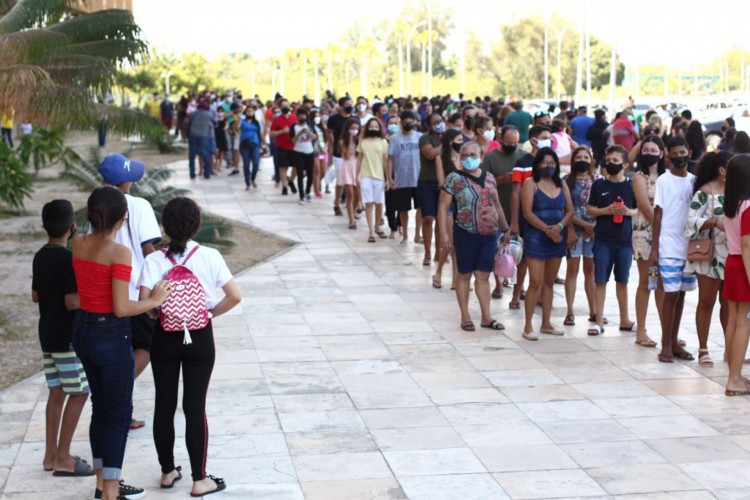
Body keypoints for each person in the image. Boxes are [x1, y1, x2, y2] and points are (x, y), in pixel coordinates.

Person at [72, 186, 171, 500]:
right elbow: (121, 307)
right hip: (111, 336)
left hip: (83, 333)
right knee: (117, 414)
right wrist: (154, 300)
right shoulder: (120, 253)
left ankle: (102, 485)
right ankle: (111, 493)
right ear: (123, 219)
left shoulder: (77, 243)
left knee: (99, 409)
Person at [139, 197, 240, 496]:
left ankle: (168, 471)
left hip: (165, 338)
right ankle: (199, 479)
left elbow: (146, 306)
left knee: (164, 404)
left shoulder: (154, 260)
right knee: (195, 407)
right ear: (197, 225)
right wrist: (207, 313)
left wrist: (159, 307)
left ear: (165, 227)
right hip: (199, 337)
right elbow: (235, 296)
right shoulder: (210, 256)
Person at [98, 154, 162, 431]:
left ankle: (123, 411)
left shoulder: (97, 204)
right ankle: (115, 396)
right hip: (138, 290)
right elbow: (149, 250)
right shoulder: (139, 205)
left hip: (108, 289)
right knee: (147, 347)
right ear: (129, 181)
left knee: (123, 349)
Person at [33, 200, 94, 477]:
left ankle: (49, 455)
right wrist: (91, 297)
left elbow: (36, 295)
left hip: (47, 334)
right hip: (68, 339)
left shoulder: (40, 256)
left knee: (56, 392)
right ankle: (63, 456)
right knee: (80, 392)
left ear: (44, 226)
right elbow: (71, 302)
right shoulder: (68, 259)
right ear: (72, 228)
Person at [438, 142, 510, 331]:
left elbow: (497, 205)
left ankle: (486, 317)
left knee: (483, 274)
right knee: (464, 274)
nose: (469, 158)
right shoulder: (454, 178)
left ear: (481, 156)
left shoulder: (490, 178)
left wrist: (506, 228)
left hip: (489, 234)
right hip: (465, 233)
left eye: (473, 154)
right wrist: (444, 234)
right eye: (465, 155)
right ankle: (465, 316)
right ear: (460, 158)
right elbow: (443, 207)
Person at [649, 136, 697, 363]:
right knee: (670, 295)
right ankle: (665, 344)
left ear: (690, 151)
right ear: (668, 155)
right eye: (675, 153)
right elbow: (657, 215)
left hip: (689, 248)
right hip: (668, 245)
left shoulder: (696, 181)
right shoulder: (663, 181)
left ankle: (675, 341)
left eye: (683, 152)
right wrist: (654, 249)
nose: (680, 157)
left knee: (681, 295)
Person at [520, 147, 573, 340]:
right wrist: (547, 230)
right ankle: (527, 326)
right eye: (544, 162)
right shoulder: (530, 183)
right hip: (536, 237)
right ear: (537, 164)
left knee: (549, 282)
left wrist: (558, 227)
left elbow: (569, 210)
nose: (548, 166)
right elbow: (527, 213)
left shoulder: (562, 184)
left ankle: (546, 323)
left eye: (551, 162)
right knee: (535, 282)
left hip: (557, 238)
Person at [686, 151, 732, 366]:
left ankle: (730, 347)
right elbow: (690, 220)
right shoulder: (705, 191)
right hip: (710, 255)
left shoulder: (738, 191)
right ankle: (703, 348)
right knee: (706, 301)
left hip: (732, 254)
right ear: (721, 169)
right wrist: (714, 223)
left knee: (729, 303)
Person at [586, 145, 637, 336]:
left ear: (625, 164)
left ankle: (625, 319)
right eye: (608, 161)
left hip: (624, 240)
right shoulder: (599, 185)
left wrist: (628, 212)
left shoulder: (631, 185)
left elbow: (640, 208)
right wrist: (605, 211)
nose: (610, 164)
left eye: (615, 161)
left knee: (622, 280)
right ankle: (598, 320)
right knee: (600, 280)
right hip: (603, 240)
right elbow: (590, 208)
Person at [508, 125, 552, 309]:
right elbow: (516, 193)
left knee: (544, 257)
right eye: (544, 137)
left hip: (546, 216)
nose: (548, 140)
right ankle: (516, 294)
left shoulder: (550, 161)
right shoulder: (523, 162)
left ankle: (541, 294)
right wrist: (514, 221)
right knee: (524, 259)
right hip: (527, 217)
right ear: (534, 139)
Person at [631, 135, 666, 348]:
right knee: (646, 282)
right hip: (645, 233)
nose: (650, 154)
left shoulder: (667, 176)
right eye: (646, 150)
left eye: (654, 150)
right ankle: (641, 331)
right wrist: (664, 229)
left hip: (665, 234)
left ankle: (667, 332)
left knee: (663, 285)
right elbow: (645, 206)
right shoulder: (639, 177)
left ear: (661, 153)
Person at [481, 125, 523, 297]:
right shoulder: (491, 157)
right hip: (497, 211)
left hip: (518, 211)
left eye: (515, 142)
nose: (512, 145)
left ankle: (518, 287)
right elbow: (482, 183)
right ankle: (498, 284)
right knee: (497, 251)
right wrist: (501, 180)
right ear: (501, 139)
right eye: (508, 142)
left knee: (518, 252)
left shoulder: (523, 157)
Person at [722, 154, 750, 395]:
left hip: (732, 262)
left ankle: (735, 375)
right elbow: (748, 244)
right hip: (744, 265)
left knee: (733, 320)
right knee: (743, 321)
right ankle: (734, 379)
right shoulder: (749, 207)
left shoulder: (731, 206)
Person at [562, 147, 598, 327]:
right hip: (574, 231)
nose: (582, 160)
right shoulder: (566, 182)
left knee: (590, 271)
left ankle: (594, 310)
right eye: (579, 157)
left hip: (593, 233)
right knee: (572, 271)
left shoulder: (597, 180)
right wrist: (582, 226)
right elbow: (564, 209)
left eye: (586, 157)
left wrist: (593, 227)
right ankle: (570, 311)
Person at [434, 129, 462, 289]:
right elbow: (441, 182)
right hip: (449, 201)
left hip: (462, 202)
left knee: (458, 243)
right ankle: (439, 271)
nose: (461, 143)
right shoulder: (441, 159)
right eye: (458, 140)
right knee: (450, 241)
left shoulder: (463, 157)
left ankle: (455, 278)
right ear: (451, 141)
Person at [388, 111, 422, 245]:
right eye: (405, 120)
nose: (408, 123)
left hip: (419, 178)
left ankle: (418, 234)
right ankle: (405, 234)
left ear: (414, 121)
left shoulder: (420, 137)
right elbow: (389, 159)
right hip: (401, 180)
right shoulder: (394, 138)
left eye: (411, 120)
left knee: (421, 208)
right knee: (403, 209)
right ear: (401, 121)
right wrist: (389, 178)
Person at [357, 118, 391, 241]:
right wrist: (356, 175)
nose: (373, 129)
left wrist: (388, 179)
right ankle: (371, 232)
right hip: (366, 176)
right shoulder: (362, 142)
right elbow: (359, 159)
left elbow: (385, 162)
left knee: (379, 204)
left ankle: (378, 227)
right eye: (371, 126)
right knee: (369, 204)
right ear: (367, 128)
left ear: (379, 128)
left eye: (376, 127)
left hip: (380, 177)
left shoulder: (383, 142)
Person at [417, 113, 445, 265]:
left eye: (441, 121)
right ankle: (427, 252)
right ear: (429, 125)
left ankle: (438, 252)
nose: (439, 123)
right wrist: (445, 143)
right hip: (426, 182)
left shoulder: (445, 138)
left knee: (441, 220)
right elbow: (430, 154)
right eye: (436, 122)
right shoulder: (425, 139)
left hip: (443, 183)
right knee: (427, 218)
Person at [327, 97, 354, 216]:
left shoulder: (354, 119)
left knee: (353, 181)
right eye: (347, 104)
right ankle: (337, 203)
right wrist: (331, 146)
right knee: (341, 180)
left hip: (352, 154)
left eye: (350, 104)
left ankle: (353, 205)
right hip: (339, 154)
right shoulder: (334, 119)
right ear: (341, 106)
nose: (350, 106)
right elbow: (328, 132)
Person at [269, 98, 298, 196]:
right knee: (283, 167)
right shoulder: (276, 120)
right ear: (280, 108)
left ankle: (291, 181)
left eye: (287, 105)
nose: (285, 107)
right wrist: (282, 131)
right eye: (283, 106)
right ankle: (284, 186)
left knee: (296, 166)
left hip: (294, 146)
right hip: (281, 146)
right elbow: (271, 134)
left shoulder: (294, 118)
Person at [338, 117, 361, 228]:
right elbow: (346, 156)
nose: (354, 130)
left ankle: (354, 209)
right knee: (350, 194)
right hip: (347, 166)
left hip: (357, 166)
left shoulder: (360, 140)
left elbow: (360, 155)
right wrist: (350, 141)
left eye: (356, 128)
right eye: (352, 128)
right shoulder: (343, 140)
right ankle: (351, 220)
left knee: (358, 195)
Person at [290, 107, 316, 203]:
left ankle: (307, 191)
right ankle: (301, 195)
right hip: (298, 152)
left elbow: (315, 137)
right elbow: (292, 141)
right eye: (301, 115)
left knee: (310, 174)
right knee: (300, 174)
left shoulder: (310, 125)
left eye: (304, 115)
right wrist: (299, 134)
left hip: (309, 151)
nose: (302, 117)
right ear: (297, 116)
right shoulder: (294, 127)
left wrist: (308, 132)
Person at [187, 101, 214, 180]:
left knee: (192, 155)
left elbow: (189, 123)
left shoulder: (193, 114)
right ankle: (207, 173)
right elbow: (213, 123)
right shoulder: (209, 115)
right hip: (204, 136)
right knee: (206, 154)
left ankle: (192, 173)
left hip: (193, 135)